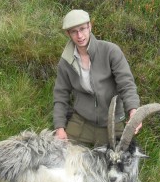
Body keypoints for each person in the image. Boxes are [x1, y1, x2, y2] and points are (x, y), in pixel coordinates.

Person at [53, 9, 142, 147]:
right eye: (73, 31)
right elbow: (60, 95)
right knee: (61, 156)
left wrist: (133, 111)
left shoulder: (110, 51)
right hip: (81, 121)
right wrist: (59, 128)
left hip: (112, 123)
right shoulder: (66, 61)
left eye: (82, 29)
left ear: (90, 26)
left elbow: (127, 84)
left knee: (117, 162)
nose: (80, 35)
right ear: (68, 34)